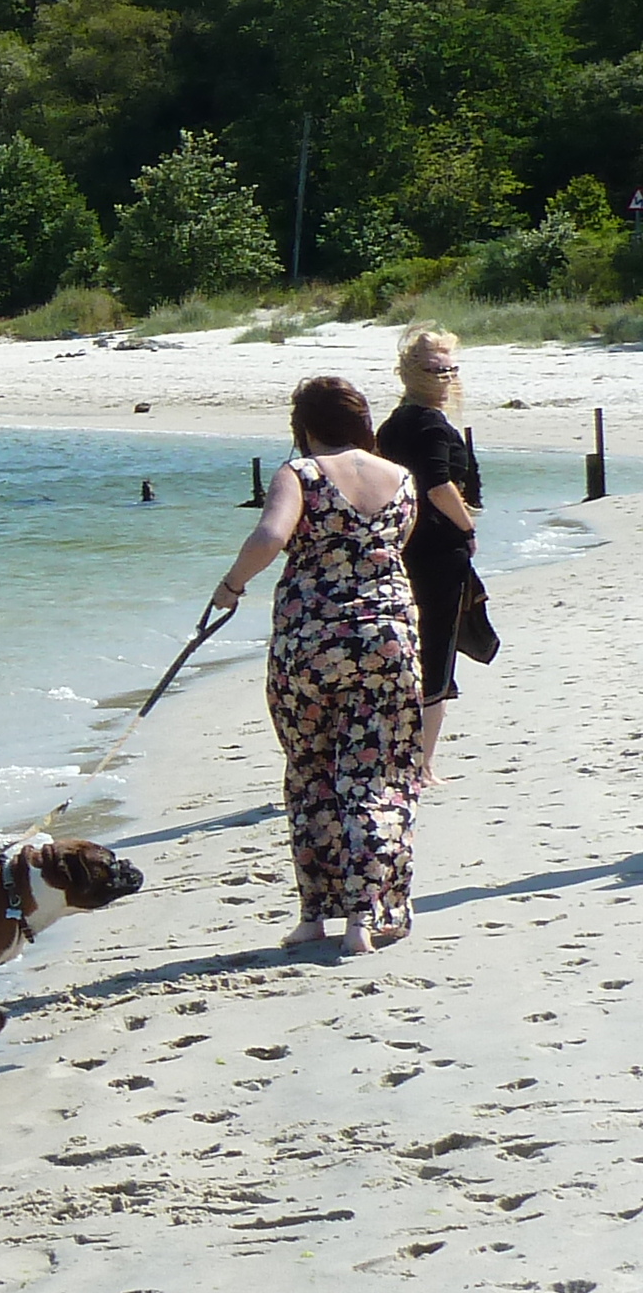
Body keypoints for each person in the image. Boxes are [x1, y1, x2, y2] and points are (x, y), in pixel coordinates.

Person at [213, 375, 421, 957]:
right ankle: (369, 915)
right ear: (362, 423)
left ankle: (315, 917)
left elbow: (271, 534)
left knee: (311, 770)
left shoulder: (300, 473)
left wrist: (231, 586)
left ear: (303, 427)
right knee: (376, 774)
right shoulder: (402, 479)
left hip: (310, 644)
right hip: (387, 640)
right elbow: (394, 548)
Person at [374, 325, 484, 787]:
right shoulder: (428, 425)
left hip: (401, 547)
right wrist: (467, 525)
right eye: (435, 369)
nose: (444, 378)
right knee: (435, 652)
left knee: (407, 652)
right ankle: (422, 764)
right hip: (436, 551)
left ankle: (403, 756)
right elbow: (437, 485)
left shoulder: (394, 424)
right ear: (410, 373)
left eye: (450, 369)